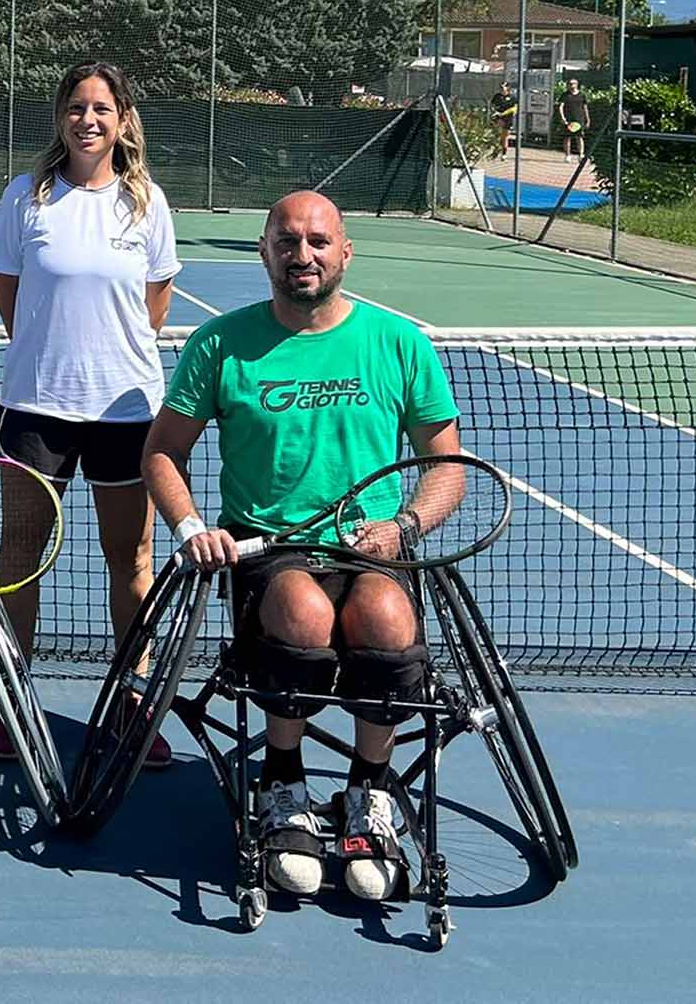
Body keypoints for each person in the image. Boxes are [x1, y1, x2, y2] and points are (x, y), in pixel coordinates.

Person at [143, 190, 461, 904]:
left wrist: (404, 526)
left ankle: (367, 792)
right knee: (302, 611)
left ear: (345, 250)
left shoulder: (399, 343)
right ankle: (281, 780)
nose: (302, 255)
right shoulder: (219, 344)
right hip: (268, 548)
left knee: (385, 619)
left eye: (318, 241)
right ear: (265, 251)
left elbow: (447, 464)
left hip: (371, 547)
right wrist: (193, 527)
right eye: (286, 241)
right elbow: (162, 452)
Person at [0, 62, 180, 766]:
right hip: (37, 411)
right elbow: (12, 300)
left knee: (130, 560)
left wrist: (108, 359)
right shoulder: (24, 198)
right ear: (61, 117)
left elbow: (153, 306)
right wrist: (56, 358)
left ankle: (132, 699)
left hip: (128, 413)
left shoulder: (147, 203)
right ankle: (12, 699)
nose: (88, 118)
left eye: (102, 107)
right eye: (76, 106)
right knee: (21, 559)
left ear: (123, 118)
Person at [558, 79, 590, 161]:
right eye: (568, 84)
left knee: (579, 137)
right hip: (568, 120)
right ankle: (567, 155)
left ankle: (581, 155)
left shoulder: (582, 95)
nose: (570, 85)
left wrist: (588, 119)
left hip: (579, 120)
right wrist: (563, 117)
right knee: (567, 138)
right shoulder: (565, 95)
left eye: (572, 84)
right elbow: (561, 106)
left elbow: (585, 108)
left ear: (576, 84)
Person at [489, 82, 517, 158]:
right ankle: (495, 150)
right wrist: (495, 112)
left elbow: (514, 109)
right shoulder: (497, 96)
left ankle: (504, 153)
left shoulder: (512, 97)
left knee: (504, 136)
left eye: (504, 87)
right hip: (498, 117)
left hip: (508, 118)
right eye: (501, 87)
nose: (501, 88)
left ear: (508, 88)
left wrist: (504, 113)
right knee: (497, 134)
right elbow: (492, 105)